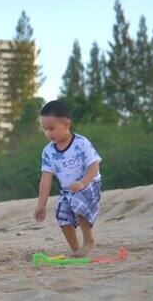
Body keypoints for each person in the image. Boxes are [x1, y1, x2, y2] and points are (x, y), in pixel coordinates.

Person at [34, 100, 103, 258]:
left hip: (90, 184)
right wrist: (41, 204)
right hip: (68, 190)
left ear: (66, 124)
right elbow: (46, 178)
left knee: (77, 202)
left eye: (51, 128)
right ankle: (75, 249)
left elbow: (94, 166)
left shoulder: (81, 143)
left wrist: (83, 182)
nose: (48, 133)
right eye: (44, 129)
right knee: (61, 213)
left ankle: (89, 241)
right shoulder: (48, 151)